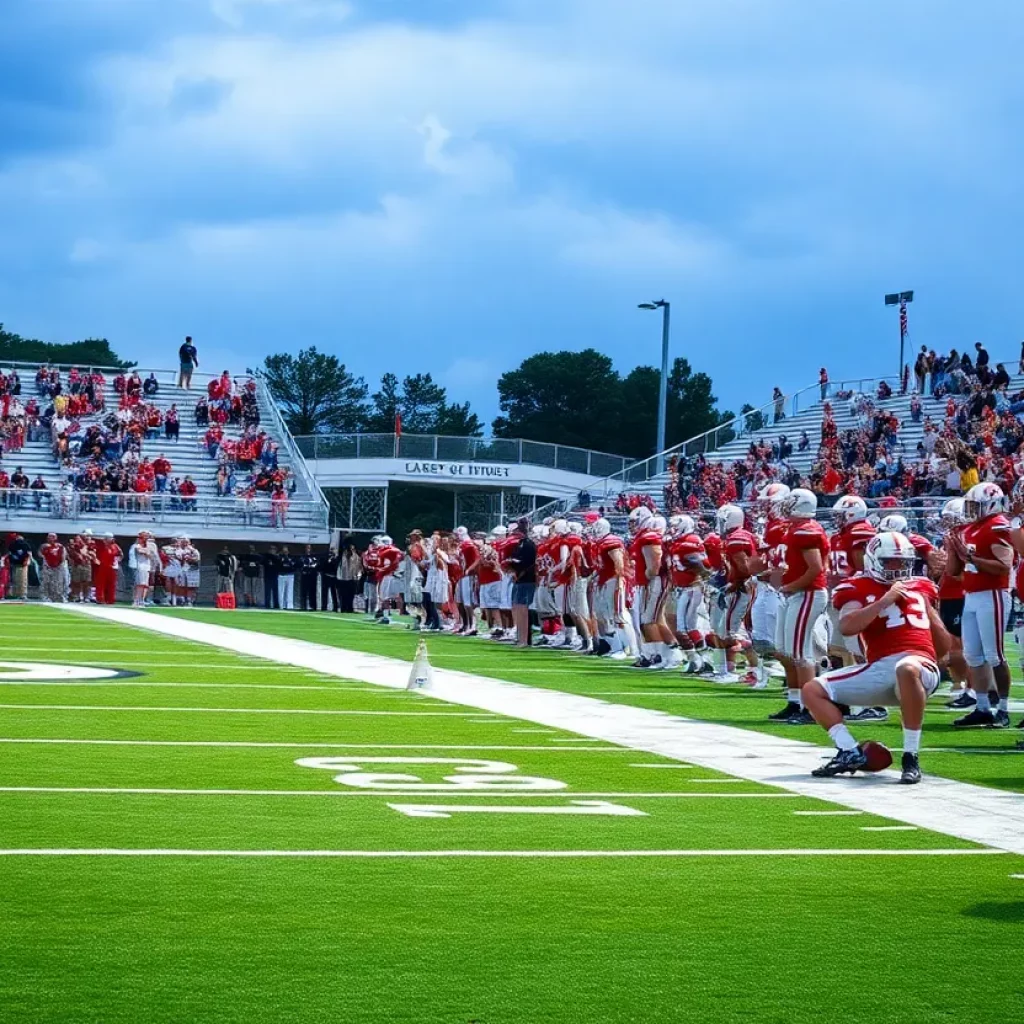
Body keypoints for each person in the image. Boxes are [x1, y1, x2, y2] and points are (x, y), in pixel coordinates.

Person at [803, 531, 949, 785]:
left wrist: (931, 613)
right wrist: (884, 601)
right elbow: (848, 626)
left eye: (902, 562)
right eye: (889, 562)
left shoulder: (921, 587)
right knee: (812, 689)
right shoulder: (857, 586)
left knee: (907, 668)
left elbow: (944, 649)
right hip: (880, 668)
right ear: (872, 560)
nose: (896, 568)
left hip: (920, 664)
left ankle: (910, 756)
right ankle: (849, 750)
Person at [945, 482, 1013, 728]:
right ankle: (982, 707)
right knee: (972, 655)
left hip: (993, 593)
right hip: (971, 594)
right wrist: (953, 548)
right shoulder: (971, 528)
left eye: (976, 505)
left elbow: (1005, 565)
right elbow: (953, 571)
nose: (971, 510)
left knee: (995, 655)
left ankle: (1003, 709)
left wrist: (971, 556)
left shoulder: (997, 525)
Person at [505, 519, 536, 647]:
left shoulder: (529, 544)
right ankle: (520, 637)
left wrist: (519, 571)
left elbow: (529, 562)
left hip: (526, 579)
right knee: (517, 607)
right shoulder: (520, 544)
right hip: (519, 578)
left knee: (522, 609)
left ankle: (524, 639)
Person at [128, 531, 159, 607]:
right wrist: (146, 551)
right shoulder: (136, 545)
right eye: (145, 537)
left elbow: (150, 555)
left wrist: (147, 551)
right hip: (140, 566)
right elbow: (142, 551)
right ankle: (136, 600)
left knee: (145, 585)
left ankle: (141, 600)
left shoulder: (148, 546)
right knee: (140, 584)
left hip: (147, 567)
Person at [38, 533, 68, 603]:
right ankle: (46, 596)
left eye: (52, 537)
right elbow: (39, 553)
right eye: (49, 537)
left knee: (58, 582)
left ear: (55, 538)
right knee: (46, 581)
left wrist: (62, 563)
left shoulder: (60, 546)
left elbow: (64, 554)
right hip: (47, 567)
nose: (51, 538)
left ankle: (58, 597)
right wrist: (44, 558)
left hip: (58, 567)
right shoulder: (44, 546)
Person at [337, 541, 361, 613]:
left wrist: (357, 577)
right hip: (342, 579)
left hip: (351, 579)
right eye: (350, 549)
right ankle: (343, 608)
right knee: (342, 595)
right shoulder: (341, 557)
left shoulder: (356, 557)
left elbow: (358, 568)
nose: (351, 550)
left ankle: (349, 608)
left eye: (353, 549)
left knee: (350, 596)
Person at [319, 546, 340, 612]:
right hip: (326, 576)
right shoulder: (326, 558)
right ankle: (324, 606)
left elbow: (336, 567)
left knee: (334, 593)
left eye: (333, 550)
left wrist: (333, 560)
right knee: (324, 592)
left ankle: (335, 606)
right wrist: (328, 560)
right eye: (331, 550)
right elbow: (323, 566)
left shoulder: (337, 559)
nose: (332, 551)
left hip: (333, 577)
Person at [299, 544, 320, 611]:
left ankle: (313, 606)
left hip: (312, 576)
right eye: (307, 548)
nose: (308, 549)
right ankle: (303, 606)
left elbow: (316, 565)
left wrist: (312, 567)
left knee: (312, 592)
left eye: (309, 548)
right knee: (304, 592)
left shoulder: (314, 557)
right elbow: (300, 565)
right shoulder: (302, 557)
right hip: (305, 576)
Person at [277, 545, 296, 610]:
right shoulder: (279, 557)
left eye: (286, 551)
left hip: (290, 575)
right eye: (284, 551)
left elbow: (293, 565)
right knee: (281, 591)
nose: (285, 552)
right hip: (281, 575)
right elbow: (278, 564)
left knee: (289, 591)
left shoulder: (291, 557)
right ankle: (281, 606)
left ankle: (289, 606)